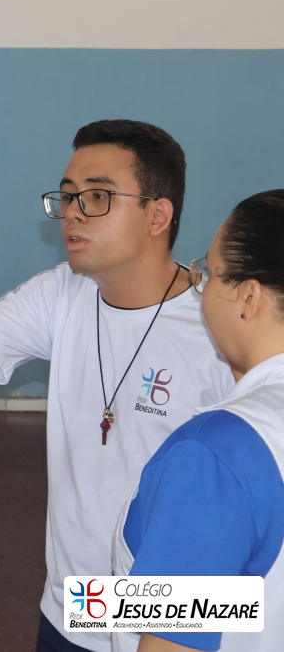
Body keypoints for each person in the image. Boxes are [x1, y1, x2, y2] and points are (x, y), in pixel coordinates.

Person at [0, 120, 235, 652]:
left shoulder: (216, 327)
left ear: (158, 215)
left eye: (98, 197)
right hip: (74, 608)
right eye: (66, 197)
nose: (73, 213)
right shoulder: (61, 293)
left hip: (172, 621)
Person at [112, 191, 284, 652]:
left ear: (249, 297)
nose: (200, 286)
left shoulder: (215, 456)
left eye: (209, 271)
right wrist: (84, 606)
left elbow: (174, 636)